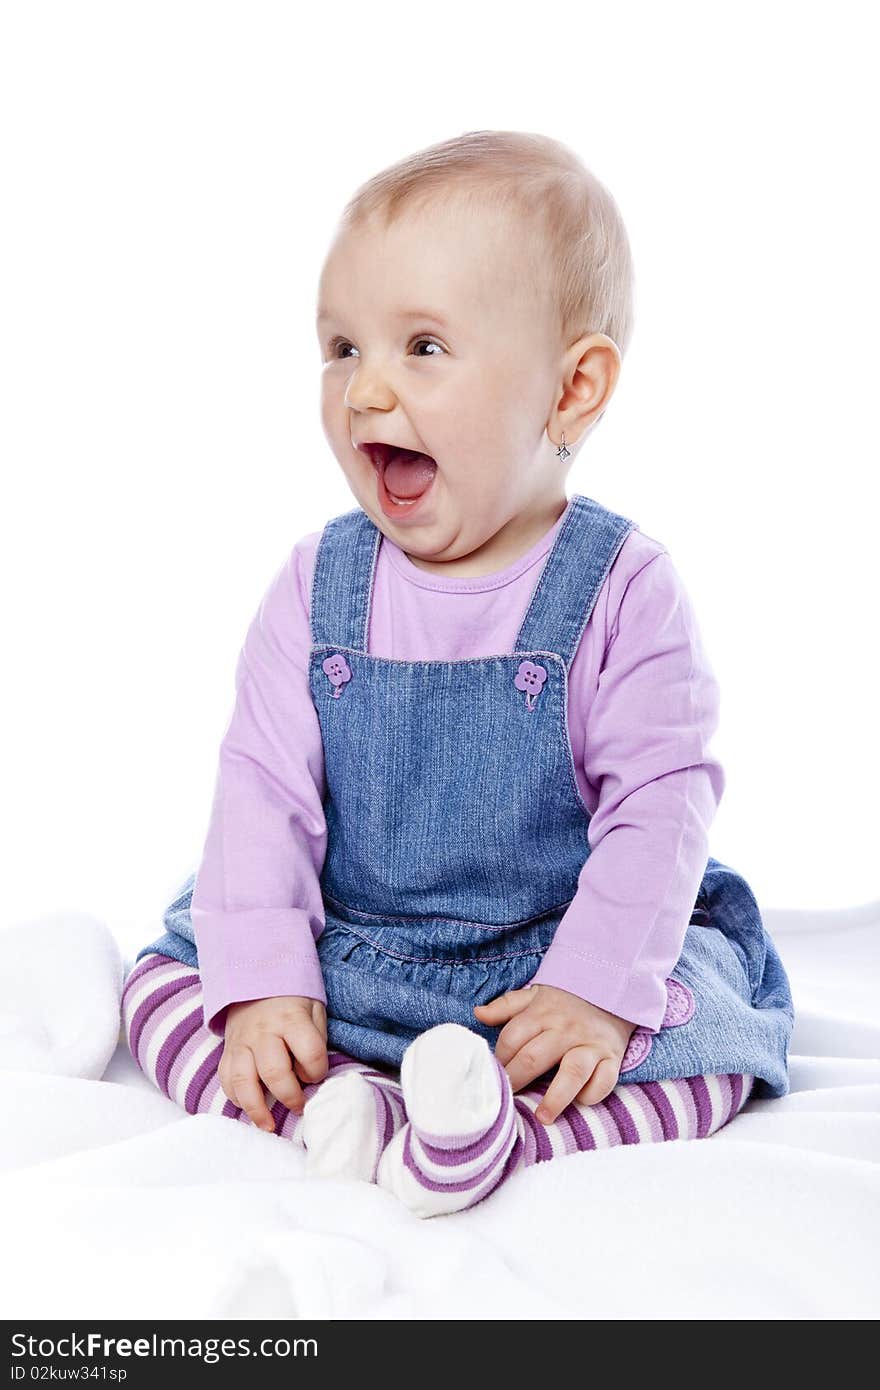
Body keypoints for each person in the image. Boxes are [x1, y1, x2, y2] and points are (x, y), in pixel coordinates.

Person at [123, 129, 794, 1219]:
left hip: (548, 958)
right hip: (356, 942)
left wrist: (591, 990)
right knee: (176, 983)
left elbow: (661, 809)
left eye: (422, 347)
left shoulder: (624, 590)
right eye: (341, 347)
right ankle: (353, 1109)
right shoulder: (316, 583)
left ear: (572, 390)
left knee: (709, 1045)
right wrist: (268, 986)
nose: (364, 390)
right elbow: (261, 792)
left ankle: (486, 1134)